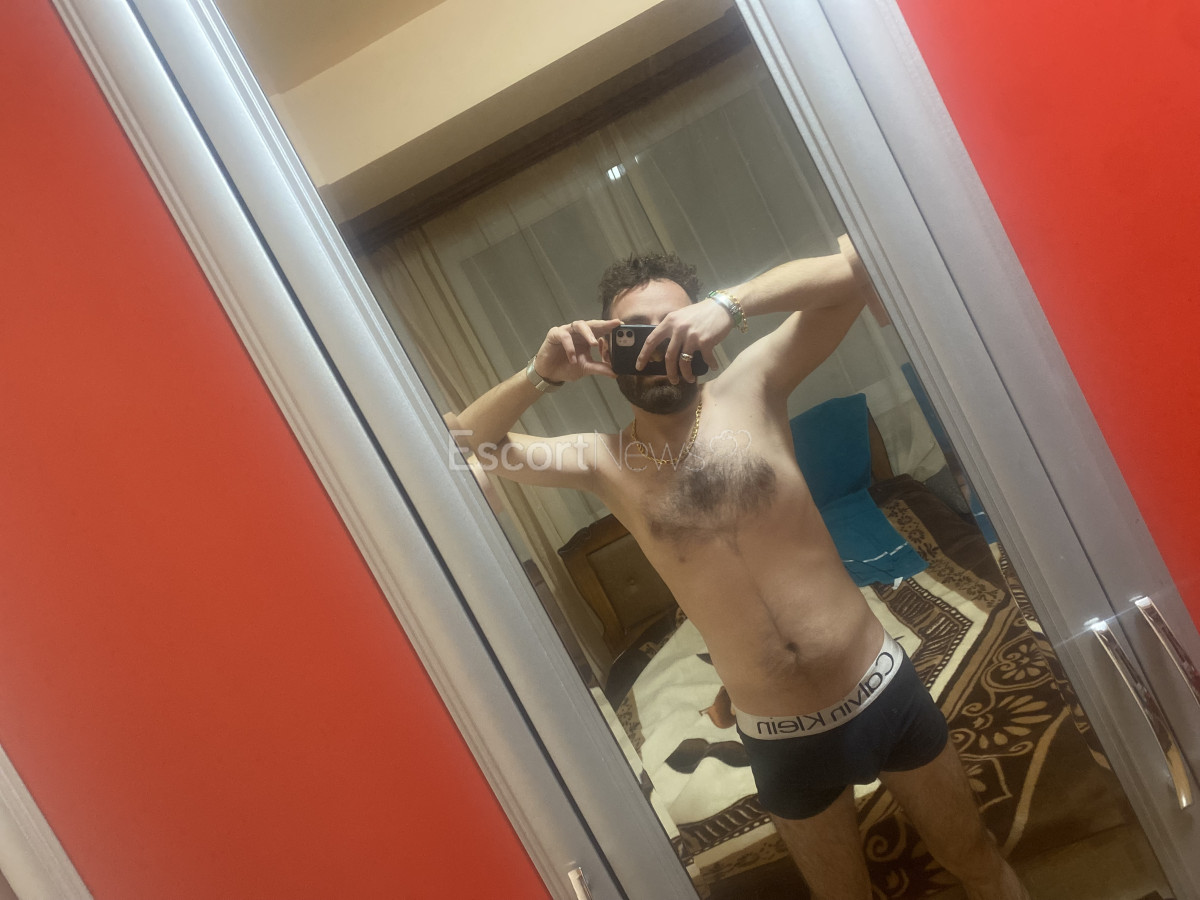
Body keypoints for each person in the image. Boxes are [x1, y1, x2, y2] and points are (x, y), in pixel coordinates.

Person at [450, 236, 1029, 900]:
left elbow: (853, 273)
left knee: (975, 858)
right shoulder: (601, 461)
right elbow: (462, 443)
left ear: (700, 332)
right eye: (636, 334)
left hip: (879, 688)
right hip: (781, 739)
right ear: (610, 355)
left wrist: (731, 303)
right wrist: (541, 373)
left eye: (674, 325)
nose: (658, 346)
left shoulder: (753, 387)